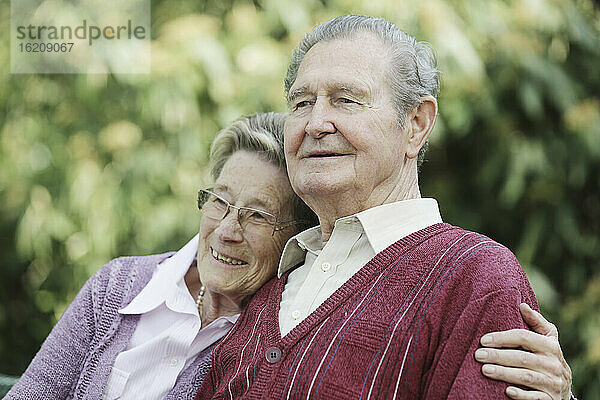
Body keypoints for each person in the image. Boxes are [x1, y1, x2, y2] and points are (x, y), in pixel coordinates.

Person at [196, 16, 574, 400]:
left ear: (415, 124)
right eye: (301, 103)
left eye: (346, 100)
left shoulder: (475, 278)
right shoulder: (267, 288)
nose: (315, 123)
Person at [5, 112, 316, 400]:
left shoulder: (275, 343)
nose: (226, 231)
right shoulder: (116, 285)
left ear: (297, 237)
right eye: (220, 201)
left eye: (258, 216)